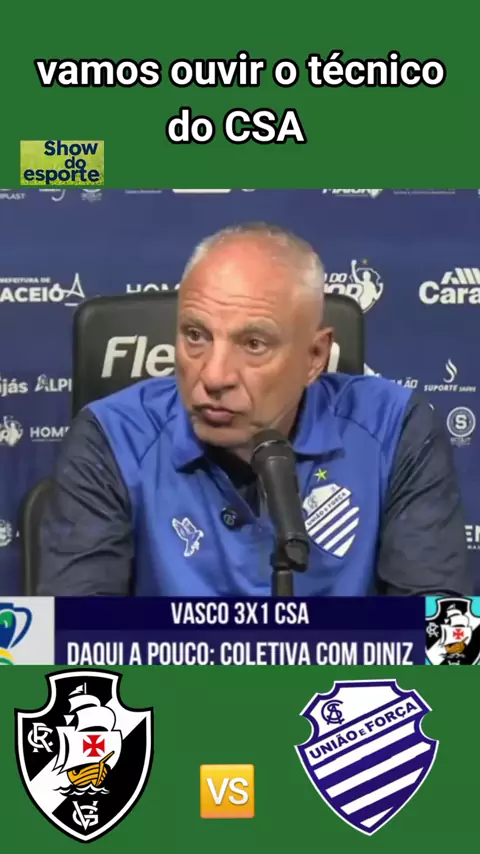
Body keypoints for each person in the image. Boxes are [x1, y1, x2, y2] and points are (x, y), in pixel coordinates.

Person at [37, 223, 471, 597]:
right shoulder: (112, 436)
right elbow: (67, 641)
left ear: (315, 356)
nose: (214, 375)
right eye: (195, 335)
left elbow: (447, 645)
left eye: (254, 344)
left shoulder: (396, 429)